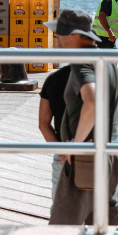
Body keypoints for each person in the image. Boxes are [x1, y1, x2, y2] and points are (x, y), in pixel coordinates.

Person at [47, 9, 118, 226]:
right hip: (109, 154)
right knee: (107, 226)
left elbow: (91, 100)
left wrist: (77, 145)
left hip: (85, 160)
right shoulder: (107, 62)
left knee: (61, 228)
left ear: (72, 35)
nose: (57, 39)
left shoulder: (82, 62)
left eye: (59, 34)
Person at [38, 64, 69, 215]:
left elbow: (43, 124)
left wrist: (62, 154)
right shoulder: (101, 77)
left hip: (62, 152)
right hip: (93, 152)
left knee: (60, 213)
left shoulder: (54, 79)